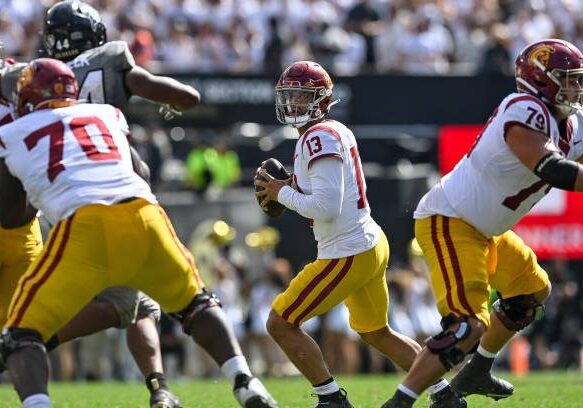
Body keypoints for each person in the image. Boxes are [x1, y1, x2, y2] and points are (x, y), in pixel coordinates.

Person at [0, 58, 278, 408]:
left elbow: (10, 217)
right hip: (146, 216)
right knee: (196, 304)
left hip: (84, 226)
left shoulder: (12, 133)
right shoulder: (105, 114)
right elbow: (141, 169)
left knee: (20, 335)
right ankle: (245, 381)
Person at [0, 2, 197, 406]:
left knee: (137, 305)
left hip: (47, 203)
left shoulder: (24, 79)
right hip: (90, 194)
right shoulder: (96, 74)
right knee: (123, 305)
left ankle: (158, 388)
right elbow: (186, 98)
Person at [382, 38, 583, 407]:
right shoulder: (523, 108)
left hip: (485, 229)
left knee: (530, 292)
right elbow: (553, 169)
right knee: (465, 327)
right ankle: (399, 402)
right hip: (451, 219)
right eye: (567, 79)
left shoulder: (572, 121)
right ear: (540, 79)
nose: (575, 87)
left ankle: (477, 371)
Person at [254, 60, 464, 408]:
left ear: (322, 100)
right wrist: (292, 185)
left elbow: (326, 207)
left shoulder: (318, 136)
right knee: (375, 330)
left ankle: (331, 399)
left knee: (280, 322)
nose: (293, 103)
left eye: (302, 96)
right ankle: (444, 395)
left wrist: (282, 193)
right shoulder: (331, 130)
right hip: (365, 241)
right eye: (288, 95)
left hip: (347, 250)